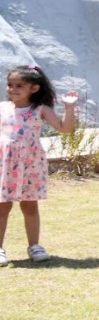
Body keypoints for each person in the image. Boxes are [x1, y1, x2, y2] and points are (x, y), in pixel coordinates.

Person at [0, 65, 77, 265]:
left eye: (19, 86)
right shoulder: (2, 107)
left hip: (30, 165)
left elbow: (65, 129)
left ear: (34, 88)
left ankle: (34, 246)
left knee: (30, 206)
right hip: (4, 164)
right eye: (10, 85)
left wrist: (69, 108)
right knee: (2, 207)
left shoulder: (40, 109)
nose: (12, 89)